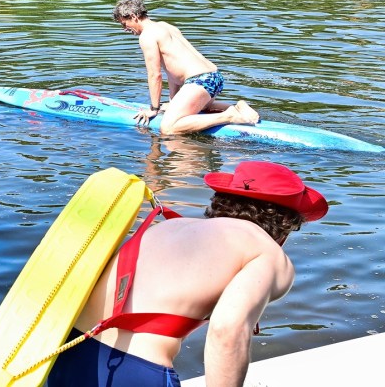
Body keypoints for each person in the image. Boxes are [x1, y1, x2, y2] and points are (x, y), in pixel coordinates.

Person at [48, 161, 328, 387]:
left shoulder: (166, 227)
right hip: (134, 371)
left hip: (68, 355)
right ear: (285, 226)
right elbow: (227, 330)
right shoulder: (267, 253)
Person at [113, 0, 260, 135]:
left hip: (200, 80)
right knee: (202, 108)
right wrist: (173, 102)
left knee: (168, 128)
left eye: (124, 24)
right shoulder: (165, 26)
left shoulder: (147, 36)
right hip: (214, 76)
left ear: (133, 16)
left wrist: (154, 108)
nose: (125, 29)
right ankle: (238, 107)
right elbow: (172, 70)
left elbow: (155, 75)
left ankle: (229, 116)